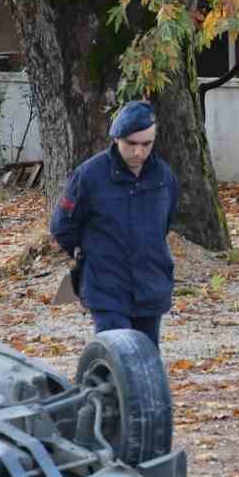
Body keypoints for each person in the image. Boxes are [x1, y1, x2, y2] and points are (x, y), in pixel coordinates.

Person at [48, 99, 179, 348]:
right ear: (116, 138)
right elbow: (63, 226)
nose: (138, 152)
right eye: (131, 144)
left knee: (146, 361)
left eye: (146, 144)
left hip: (151, 285)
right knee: (117, 356)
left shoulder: (164, 177)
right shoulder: (89, 175)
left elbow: (166, 222)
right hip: (106, 286)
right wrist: (84, 254)